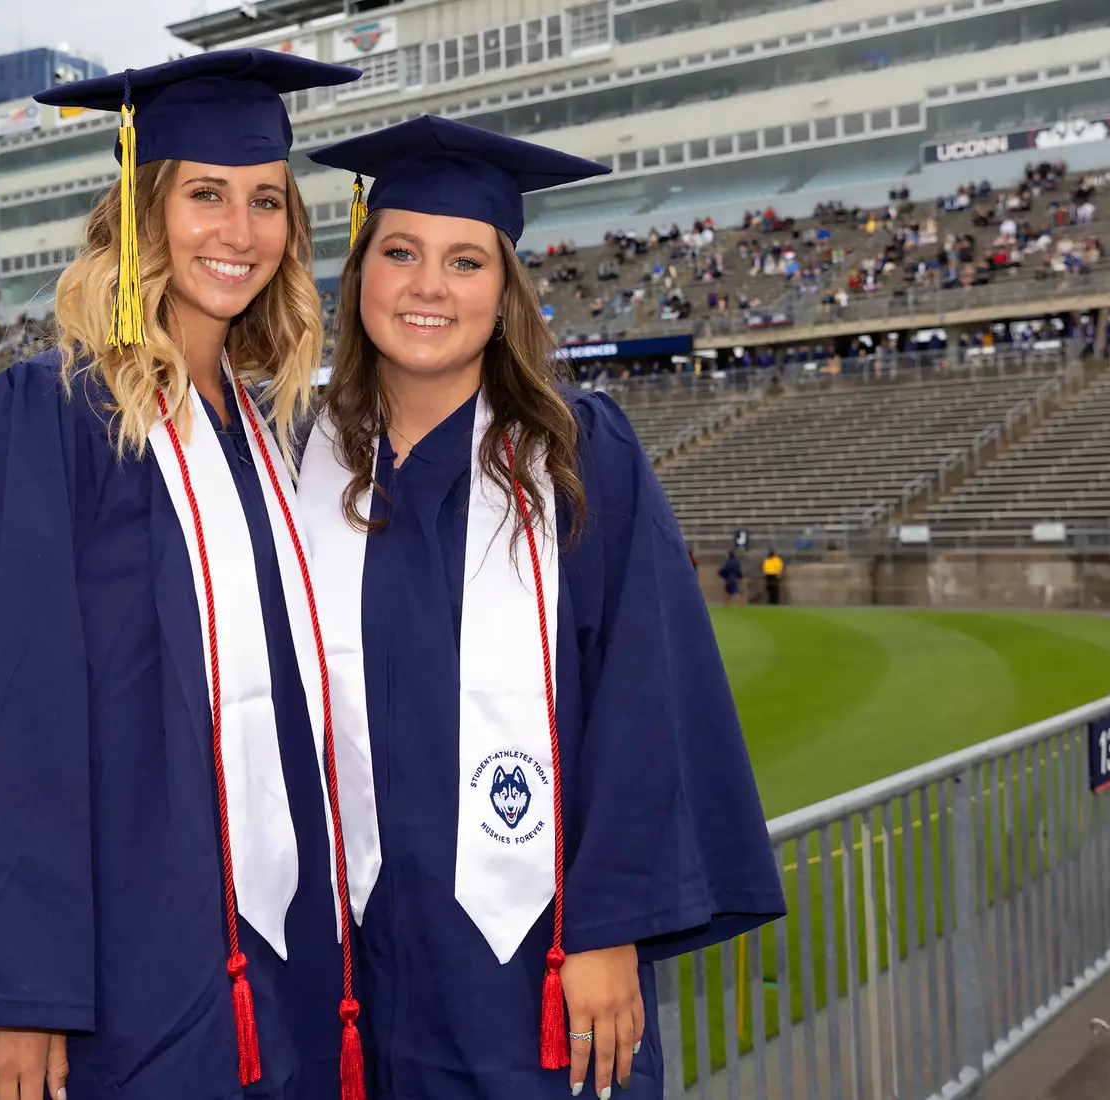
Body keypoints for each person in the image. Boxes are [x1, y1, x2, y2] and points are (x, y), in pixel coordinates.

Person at [0, 50, 367, 1100]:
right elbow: (5, 714)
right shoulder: (51, 415)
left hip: (277, 951)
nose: (237, 231)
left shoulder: (263, 435)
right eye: (204, 194)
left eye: (263, 201)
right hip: (122, 959)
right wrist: (16, 985)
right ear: (141, 208)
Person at [298, 115, 785, 1100]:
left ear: (504, 289)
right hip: (355, 960)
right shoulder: (303, 464)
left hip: (538, 955)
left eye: (466, 260)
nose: (429, 286)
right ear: (360, 277)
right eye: (400, 252)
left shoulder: (578, 456)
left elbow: (647, 699)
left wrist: (608, 927)